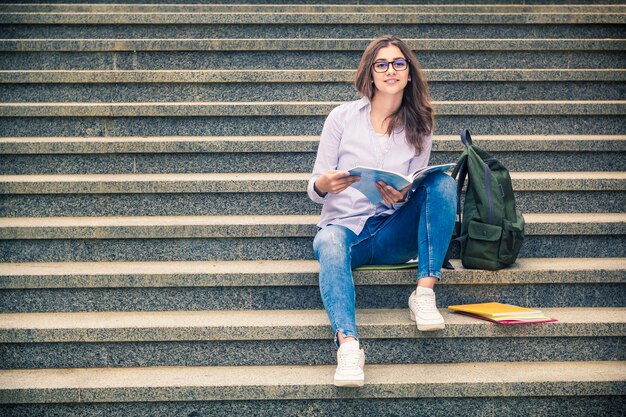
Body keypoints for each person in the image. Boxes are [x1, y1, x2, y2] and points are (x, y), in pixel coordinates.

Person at [307, 35, 457, 387]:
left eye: (399, 63)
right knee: (328, 242)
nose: (391, 70)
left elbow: (413, 182)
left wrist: (401, 196)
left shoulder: (421, 124)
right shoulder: (341, 118)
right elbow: (314, 185)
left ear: (409, 74)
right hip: (345, 231)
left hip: (391, 231)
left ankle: (423, 292)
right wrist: (325, 185)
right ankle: (348, 346)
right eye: (382, 64)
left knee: (442, 183)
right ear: (370, 73)